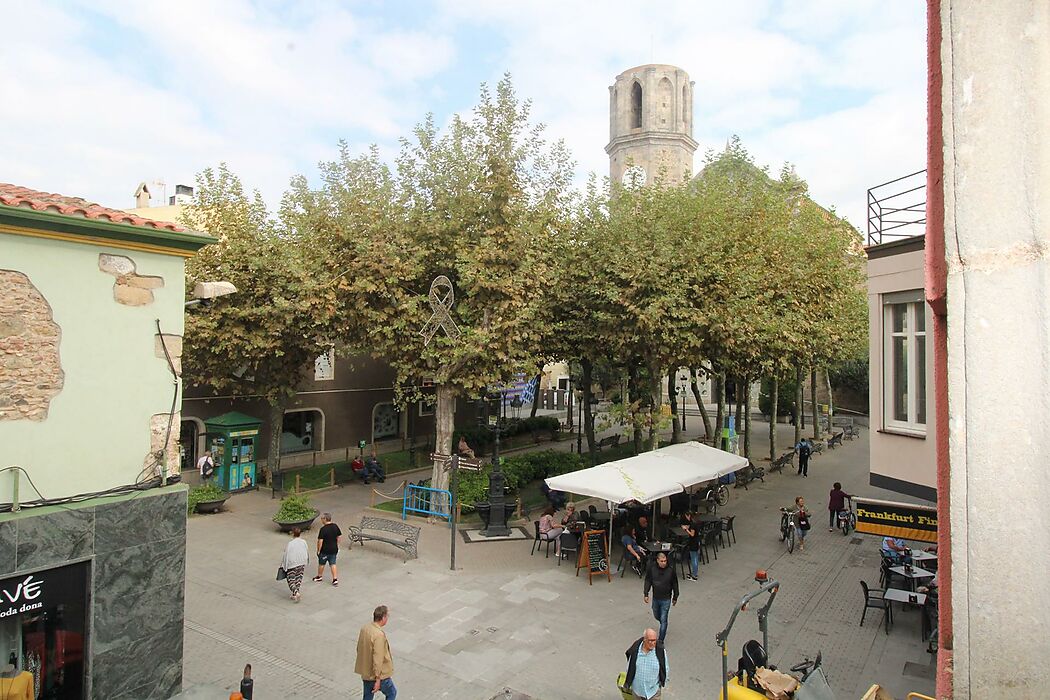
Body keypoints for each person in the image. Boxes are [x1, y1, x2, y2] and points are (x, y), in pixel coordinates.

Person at [355, 605, 396, 700]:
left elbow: (359, 648)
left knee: (367, 696)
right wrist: (378, 679)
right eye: (387, 616)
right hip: (378, 676)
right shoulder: (379, 635)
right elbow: (378, 658)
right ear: (383, 618)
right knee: (392, 693)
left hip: (366, 673)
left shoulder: (365, 628)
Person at [643, 552, 679, 643]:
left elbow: (675, 584)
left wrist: (675, 596)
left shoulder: (670, 571)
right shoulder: (652, 569)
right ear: (658, 561)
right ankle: (663, 623)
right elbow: (648, 580)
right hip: (656, 598)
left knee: (664, 619)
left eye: (665, 561)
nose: (664, 563)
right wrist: (646, 593)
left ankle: (660, 641)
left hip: (666, 599)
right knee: (656, 614)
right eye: (662, 561)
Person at [623, 628, 668, 699]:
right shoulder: (635, 650)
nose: (653, 643)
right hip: (637, 691)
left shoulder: (660, 651)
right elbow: (629, 667)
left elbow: (665, 667)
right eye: (650, 640)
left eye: (654, 640)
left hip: (653, 692)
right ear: (644, 639)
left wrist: (661, 683)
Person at [281, 527, 309, 602]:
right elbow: (306, 551)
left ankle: (296, 592)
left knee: (290, 579)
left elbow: (286, 555)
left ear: (293, 534)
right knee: (298, 578)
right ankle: (295, 593)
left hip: (292, 564)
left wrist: (285, 566)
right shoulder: (304, 542)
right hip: (302, 562)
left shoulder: (290, 544)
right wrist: (306, 561)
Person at [313, 512, 341, 586]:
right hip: (334, 549)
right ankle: (335, 579)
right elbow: (338, 537)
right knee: (333, 564)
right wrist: (337, 545)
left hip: (325, 550)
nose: (321, 520)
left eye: (322, 519)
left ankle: (319, 576)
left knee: (322, 564)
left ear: (325, 519)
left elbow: (320, 541)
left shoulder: (323, 529)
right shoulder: (335, 526)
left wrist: (318, 550)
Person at [682, 516, 701, 581]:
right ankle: (694, 573)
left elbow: (692, 534)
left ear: (689, 516)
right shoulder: (696, 522)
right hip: (697, 542)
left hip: (693, 543)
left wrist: (686, 530)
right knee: (695, 557)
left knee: (693, 559)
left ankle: (694, 575)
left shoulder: (693, 524)